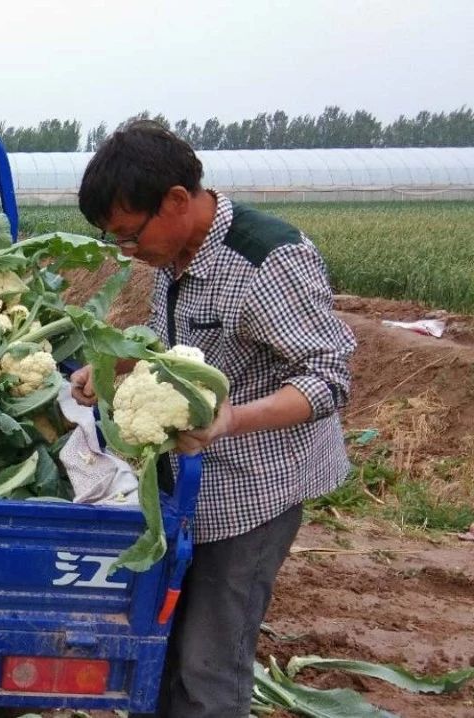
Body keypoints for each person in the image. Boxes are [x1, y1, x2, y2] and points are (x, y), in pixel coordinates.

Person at [69, 121, 356, 717]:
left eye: (128, 236)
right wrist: (117, 358)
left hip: (255, 489)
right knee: (165, 642)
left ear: (176, 200)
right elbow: (182, 351)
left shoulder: (268, 261)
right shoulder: (176, 251)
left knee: (210, 660)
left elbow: (329, 376)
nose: (127, 251)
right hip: (191, 488)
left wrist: (230, 421)